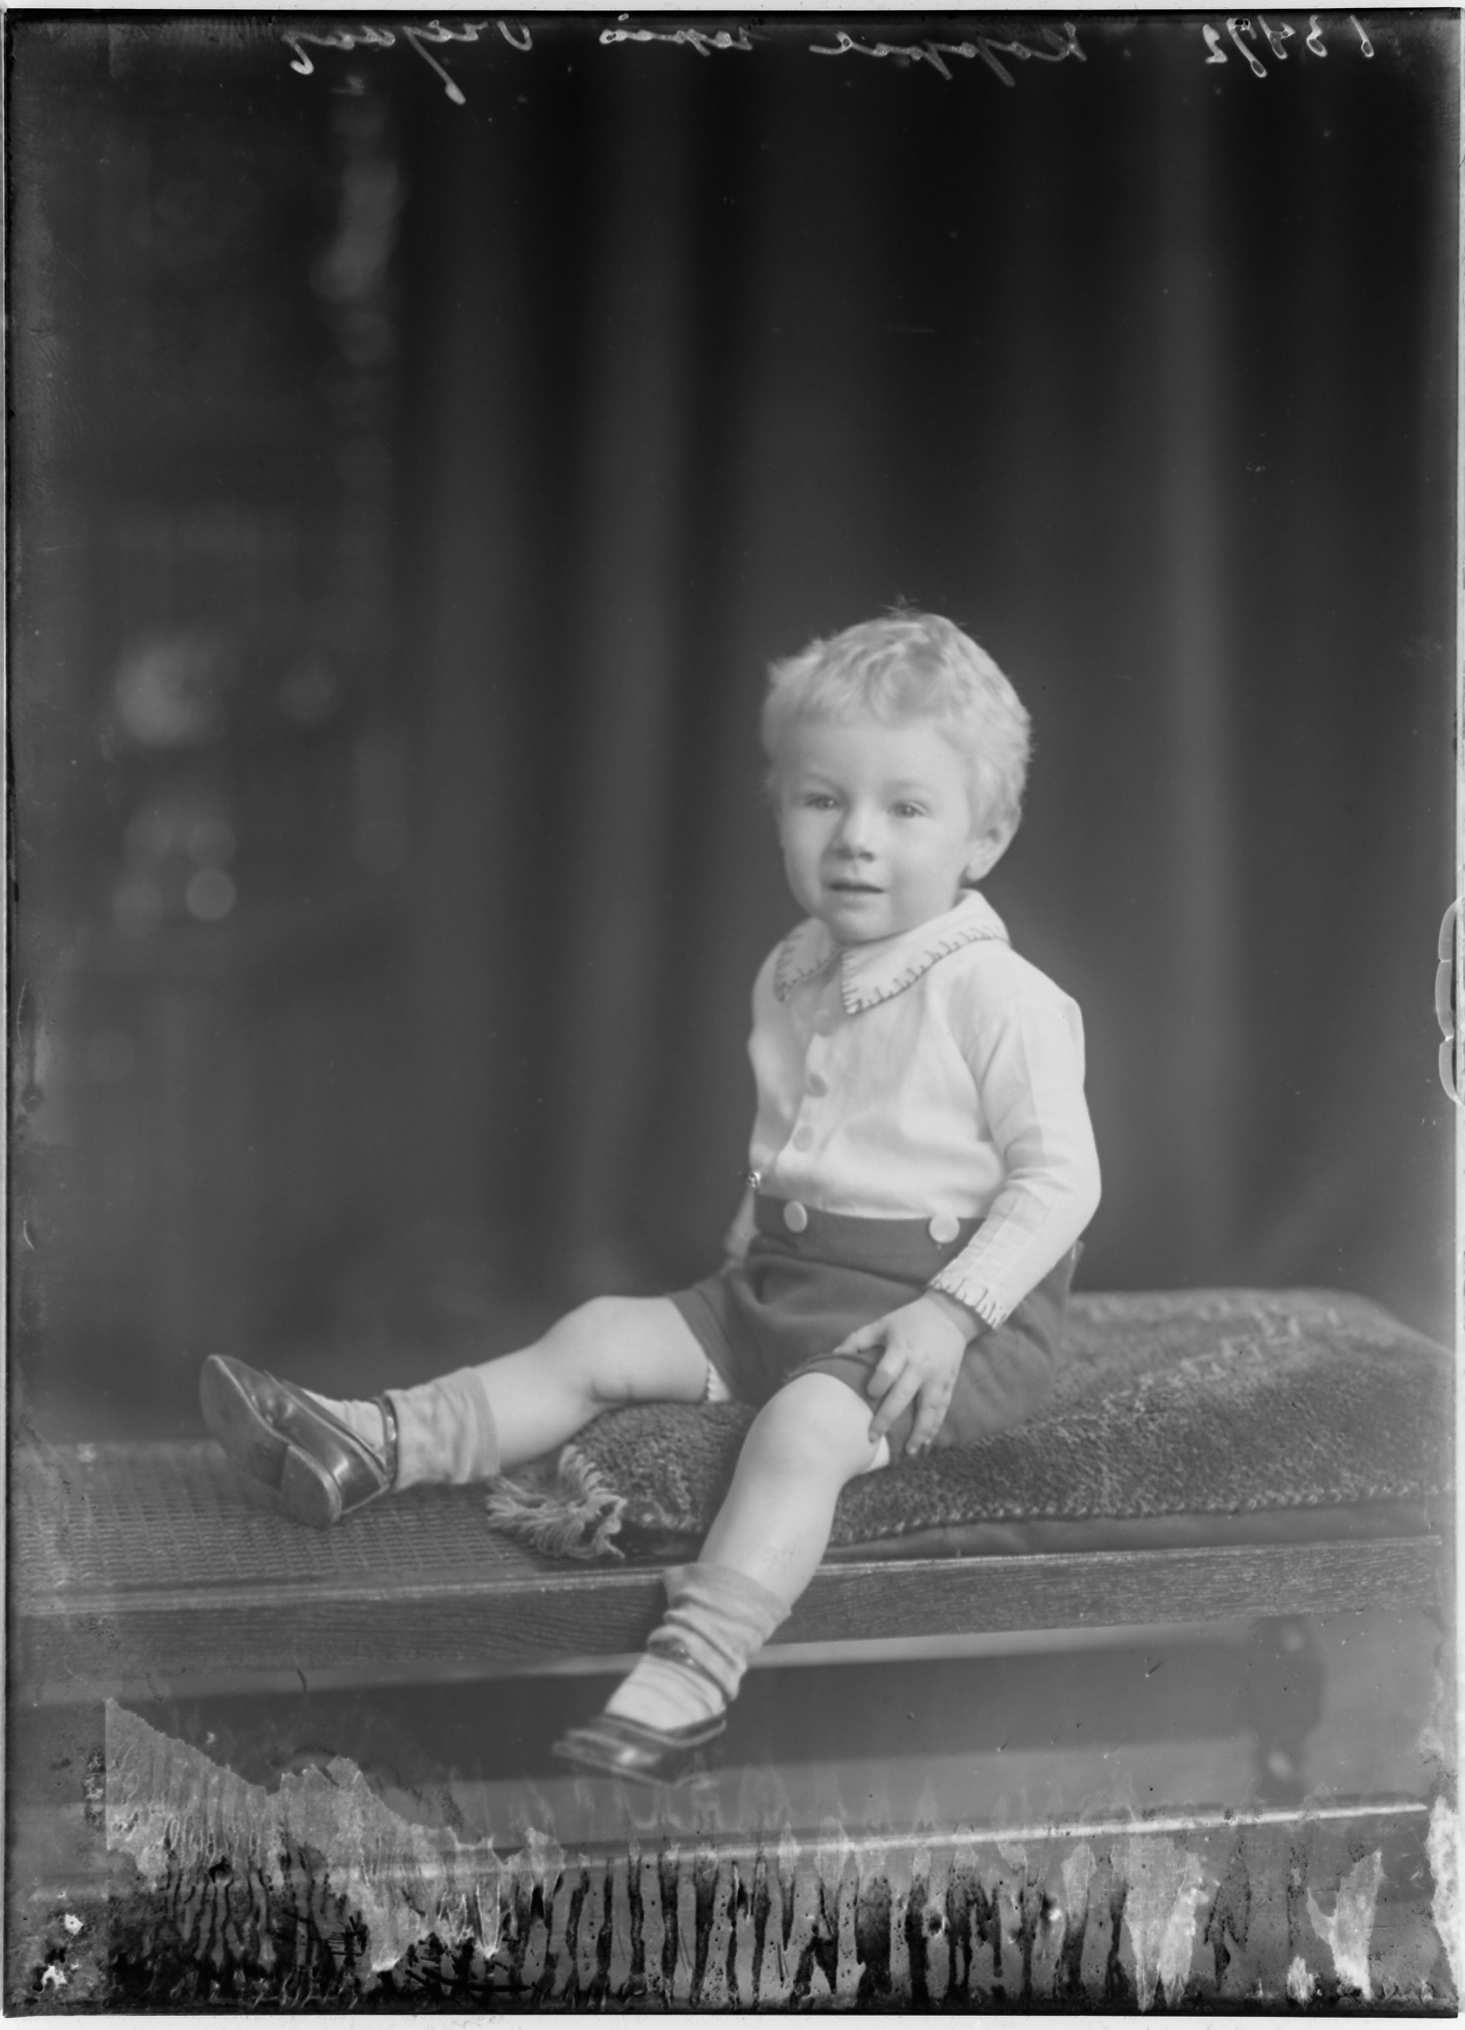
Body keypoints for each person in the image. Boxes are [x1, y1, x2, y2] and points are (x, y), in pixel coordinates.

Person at [201, 611, 1101, 1782]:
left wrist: (949, 1312)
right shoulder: (791, 970)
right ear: (777, 806)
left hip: (942, 1322)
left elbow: (1062, 1178)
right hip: (786, 1281)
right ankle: (376, 1441)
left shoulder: (1000, 995)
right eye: (820, 799)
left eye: (906, 808)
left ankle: (700, 1660)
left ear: (986, 835)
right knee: (597, 1333)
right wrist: (728, 1280)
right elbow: (790, 1143)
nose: (855, 839)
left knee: (802, 1428)